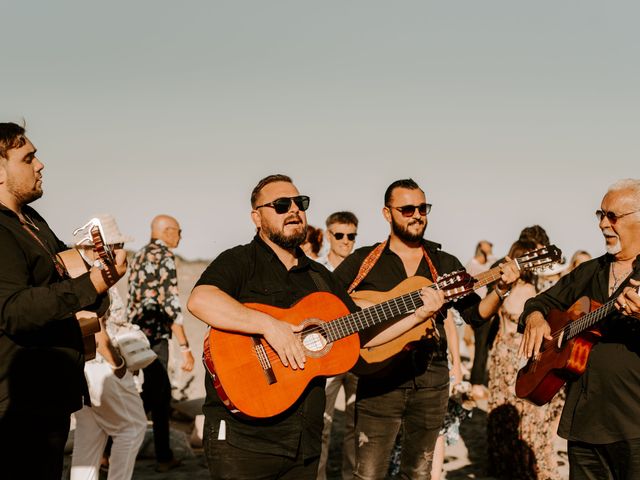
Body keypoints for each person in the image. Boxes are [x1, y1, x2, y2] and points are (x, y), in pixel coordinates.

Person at [187, 174, 445, 479]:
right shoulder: (240, 261)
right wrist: (270, 326)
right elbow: (201, 300)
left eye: (300, 203)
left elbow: (361, 332)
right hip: (244, 441)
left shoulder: (320, 277)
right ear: (257, 217)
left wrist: (416, 315)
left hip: (303, 443)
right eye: (282, 205)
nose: (294, 210)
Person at [333, 178, 520, 479]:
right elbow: (328, 302)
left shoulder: (443, 262)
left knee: (419, 473)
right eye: (407, 209)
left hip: (431, 380)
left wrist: (500, 290)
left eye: (422, 208)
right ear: (387, 213)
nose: (417, 214)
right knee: (368, 474)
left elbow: (474, 314)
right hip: (378, 380)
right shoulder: (365, 261)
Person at [0, 122, 127, 479]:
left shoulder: (33, 221)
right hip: (15, 409)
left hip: (52, 398)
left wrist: (98, 279)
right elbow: (15, 311)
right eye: (28, 158)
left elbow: (74, 281)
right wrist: (95, 282)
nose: (40, 165)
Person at [519, 178, 640, 479]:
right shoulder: (589, 271)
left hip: (634, 426)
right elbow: (542, 300)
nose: (602, 224)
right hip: (583, 424)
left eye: (612, 216)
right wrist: (534, 316)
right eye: (600, 214)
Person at [71, 214, 147, 480]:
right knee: (133, 427)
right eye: (114, 246)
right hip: (102, 365)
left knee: (89, 438)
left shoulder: (74, 276)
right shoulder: (97, 279)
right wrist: (119, 364)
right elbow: (96, 327)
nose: (119, 252)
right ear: (98, 248)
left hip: (82, 366)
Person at [486, 239, 561, 480]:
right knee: (515, 418)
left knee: (511, 419)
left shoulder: (514, 289)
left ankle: (510, 468)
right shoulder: (523, 290)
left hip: (509, 357)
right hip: (511, 358)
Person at [127, 214, 195, 473]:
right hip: (155, 339)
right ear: (166, 232)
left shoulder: (140, 255)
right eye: (179, 231)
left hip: (136, 338)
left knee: (151, 396)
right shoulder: (165, 257)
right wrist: (185, 347)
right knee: (160, 395)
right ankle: (161, 457)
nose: (180, 236)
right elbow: (171, 305)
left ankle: (159, 455)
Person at [469, 225, 550, 400]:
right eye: (540, 251)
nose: (540, 257)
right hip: (498, 326)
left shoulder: (530, 273)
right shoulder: (502, 266)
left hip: (512, 335)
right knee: (482, 335)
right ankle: (476, 380)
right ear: (533, 246)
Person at [316, 211, 359, 480]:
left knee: (357, 425)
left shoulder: (364, 271)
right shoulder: (315, 270)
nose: (345, 241)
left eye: (351, 235)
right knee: (322, 423)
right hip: (325, 358)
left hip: (359, 356)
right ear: (328, 234)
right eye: (340, 235)